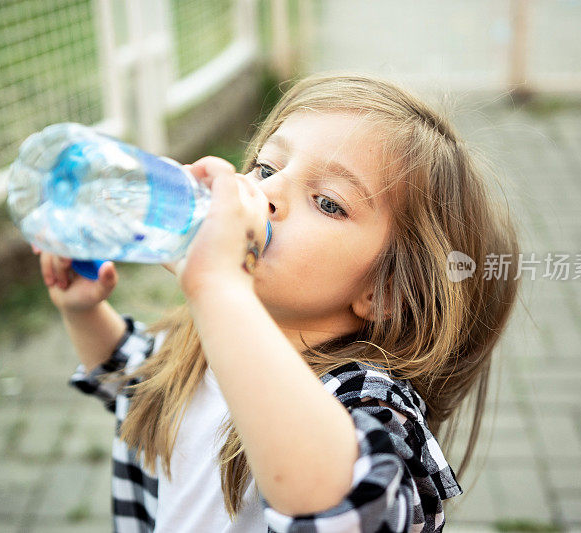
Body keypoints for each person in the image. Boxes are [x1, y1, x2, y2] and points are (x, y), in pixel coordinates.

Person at [35, 73, 521, 532]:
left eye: (328, 201)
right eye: (267, 167)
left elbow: (351, 509)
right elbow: (134, 378)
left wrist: (219, 289)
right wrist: (83, 310)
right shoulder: (200, 345)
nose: (265, 193)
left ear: (384, 290)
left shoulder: (366, 400)